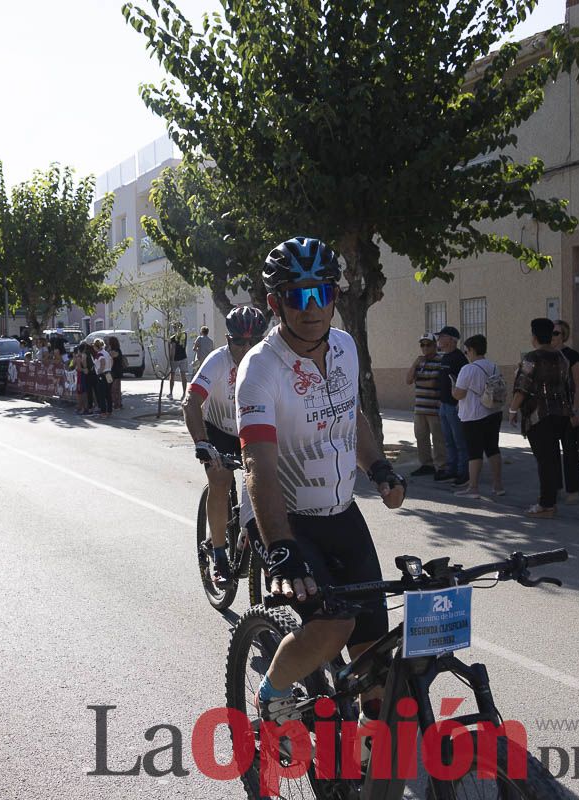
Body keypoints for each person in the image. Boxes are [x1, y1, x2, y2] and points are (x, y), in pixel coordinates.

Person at [238, 237, 405, 727]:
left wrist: (378, 467)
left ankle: (368, 753)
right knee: (334, 625)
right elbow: (258, 466)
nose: (311, 308)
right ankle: (272, 695)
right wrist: (281, 547)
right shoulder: (259, 370)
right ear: (275, 303)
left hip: (339, 511)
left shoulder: (345, 347)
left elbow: (351, 416)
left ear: (334, 295)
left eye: (321, 293)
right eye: (297, 296)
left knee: (374, 653)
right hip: (282, 517)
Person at [184, 306, 266, 584]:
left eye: (253, 341)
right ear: (228, 339)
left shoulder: (268, 361)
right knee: (220, 480)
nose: (246, 348)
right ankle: (219, 556)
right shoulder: (217, 361)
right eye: (239, 341)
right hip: (218, 431)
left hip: (251, 432)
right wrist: (201, 442)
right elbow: (191, 401)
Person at [507, 318, 577, 518]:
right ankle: (549, 500)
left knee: (545, 461)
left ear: (534, 336)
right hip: (561, 414)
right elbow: (568, 386)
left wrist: (512, 410)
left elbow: (522, 388)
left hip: (539, 416)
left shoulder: (532, 357)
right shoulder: (562, 357)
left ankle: (546, 505)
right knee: (552, 459)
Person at [451, 334, 505, 497]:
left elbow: (459, 394)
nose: (466, 354)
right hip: (494, 412)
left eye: (466, 351)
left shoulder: (468, 369)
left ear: (472, 350)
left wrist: (453, 390)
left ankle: (473, 487)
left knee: (474, 452)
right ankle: (498, 486)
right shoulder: (494, 366)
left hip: (473, 415)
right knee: (493, 449)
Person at [551, 320, 579, 503]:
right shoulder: (544, 354)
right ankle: (554, 487)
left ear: (563, 335)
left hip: (567, 409)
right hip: (549, 410)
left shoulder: (572, 355)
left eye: (556, 333)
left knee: (570, 451)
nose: (552, 336)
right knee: (550, 452)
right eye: (550, 332)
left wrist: (576, 410)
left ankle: (573, 490)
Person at [405, 333, 446, 477]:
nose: (425, 348)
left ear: (435, 346)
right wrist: (415, 364)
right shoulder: (420, 362)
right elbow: (408, 380)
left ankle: (442, 466)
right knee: (421, 438)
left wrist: (419, 381)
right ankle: (426, 464)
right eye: (422, 345)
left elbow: (434, 383)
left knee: (438, 439)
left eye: (428, 345)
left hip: (434, 409)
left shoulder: (440, 361)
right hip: (420, 408)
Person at [433, 325, 469, 485]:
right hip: (444, 405)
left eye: (442, 336)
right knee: (448, 440)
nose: (439, 339)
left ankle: (463, 472)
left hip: (455, 406)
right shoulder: (445, 357)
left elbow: (463, 384)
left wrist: (458, 403)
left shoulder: (459, 358)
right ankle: (451, 469)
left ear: (451, 339)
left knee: (460, 441)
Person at [167, 323, 189, 400]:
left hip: (175, 358)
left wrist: (171, 359)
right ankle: (184, 393)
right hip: (183, 357)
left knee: (172, 375)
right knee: (183, 376)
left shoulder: (173, 338)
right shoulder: (184, 335)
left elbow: (173, 349)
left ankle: (171, 393)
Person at [92, 338, 112, 418]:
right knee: (108, 393)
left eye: (94, 346)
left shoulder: (99, 354)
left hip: (102, 375)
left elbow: (102, 362)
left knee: (101, 394)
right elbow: (111, 361)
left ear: (96, 346)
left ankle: (103, 412)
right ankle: (109, 411)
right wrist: (109, 368)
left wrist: (100, 371)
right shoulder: (106, 352)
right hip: (108, 373)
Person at [107, 335, 125, 410]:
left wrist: (108, 350)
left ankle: (118, 404)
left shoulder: (116, 350)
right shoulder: (112, 350)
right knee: (112, 389)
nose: (107, 343)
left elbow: (111, 356)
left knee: (115, 388)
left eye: (109, 341)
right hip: (111, 372)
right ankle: (115, 403)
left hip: (115, 372)